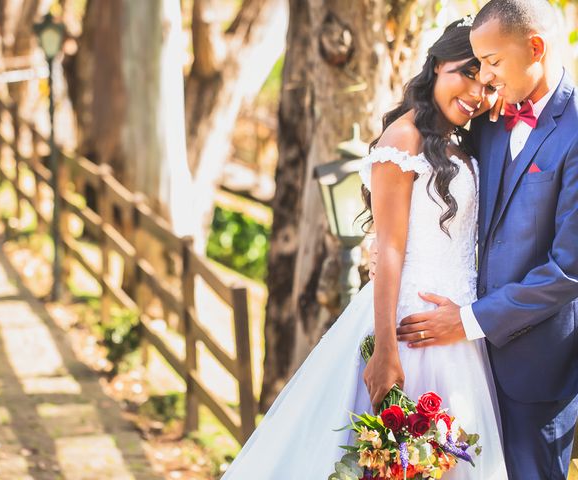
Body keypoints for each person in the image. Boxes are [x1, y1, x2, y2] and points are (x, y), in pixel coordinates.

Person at [220, 19, 508, 479]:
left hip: (457, 327)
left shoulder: (461, 140)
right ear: (436, 66)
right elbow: (391, 249)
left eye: (487, 81)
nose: (477, 92)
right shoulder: (402, 140)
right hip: (409, 327)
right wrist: (387, 351)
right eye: (466, 73)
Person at [385, 1, 578, 478]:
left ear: (535, 47)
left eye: (492, 63)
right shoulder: (490, 121)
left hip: (535, 369)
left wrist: (469, 321)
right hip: (458, 362)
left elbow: (569, 267)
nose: (485, 79)